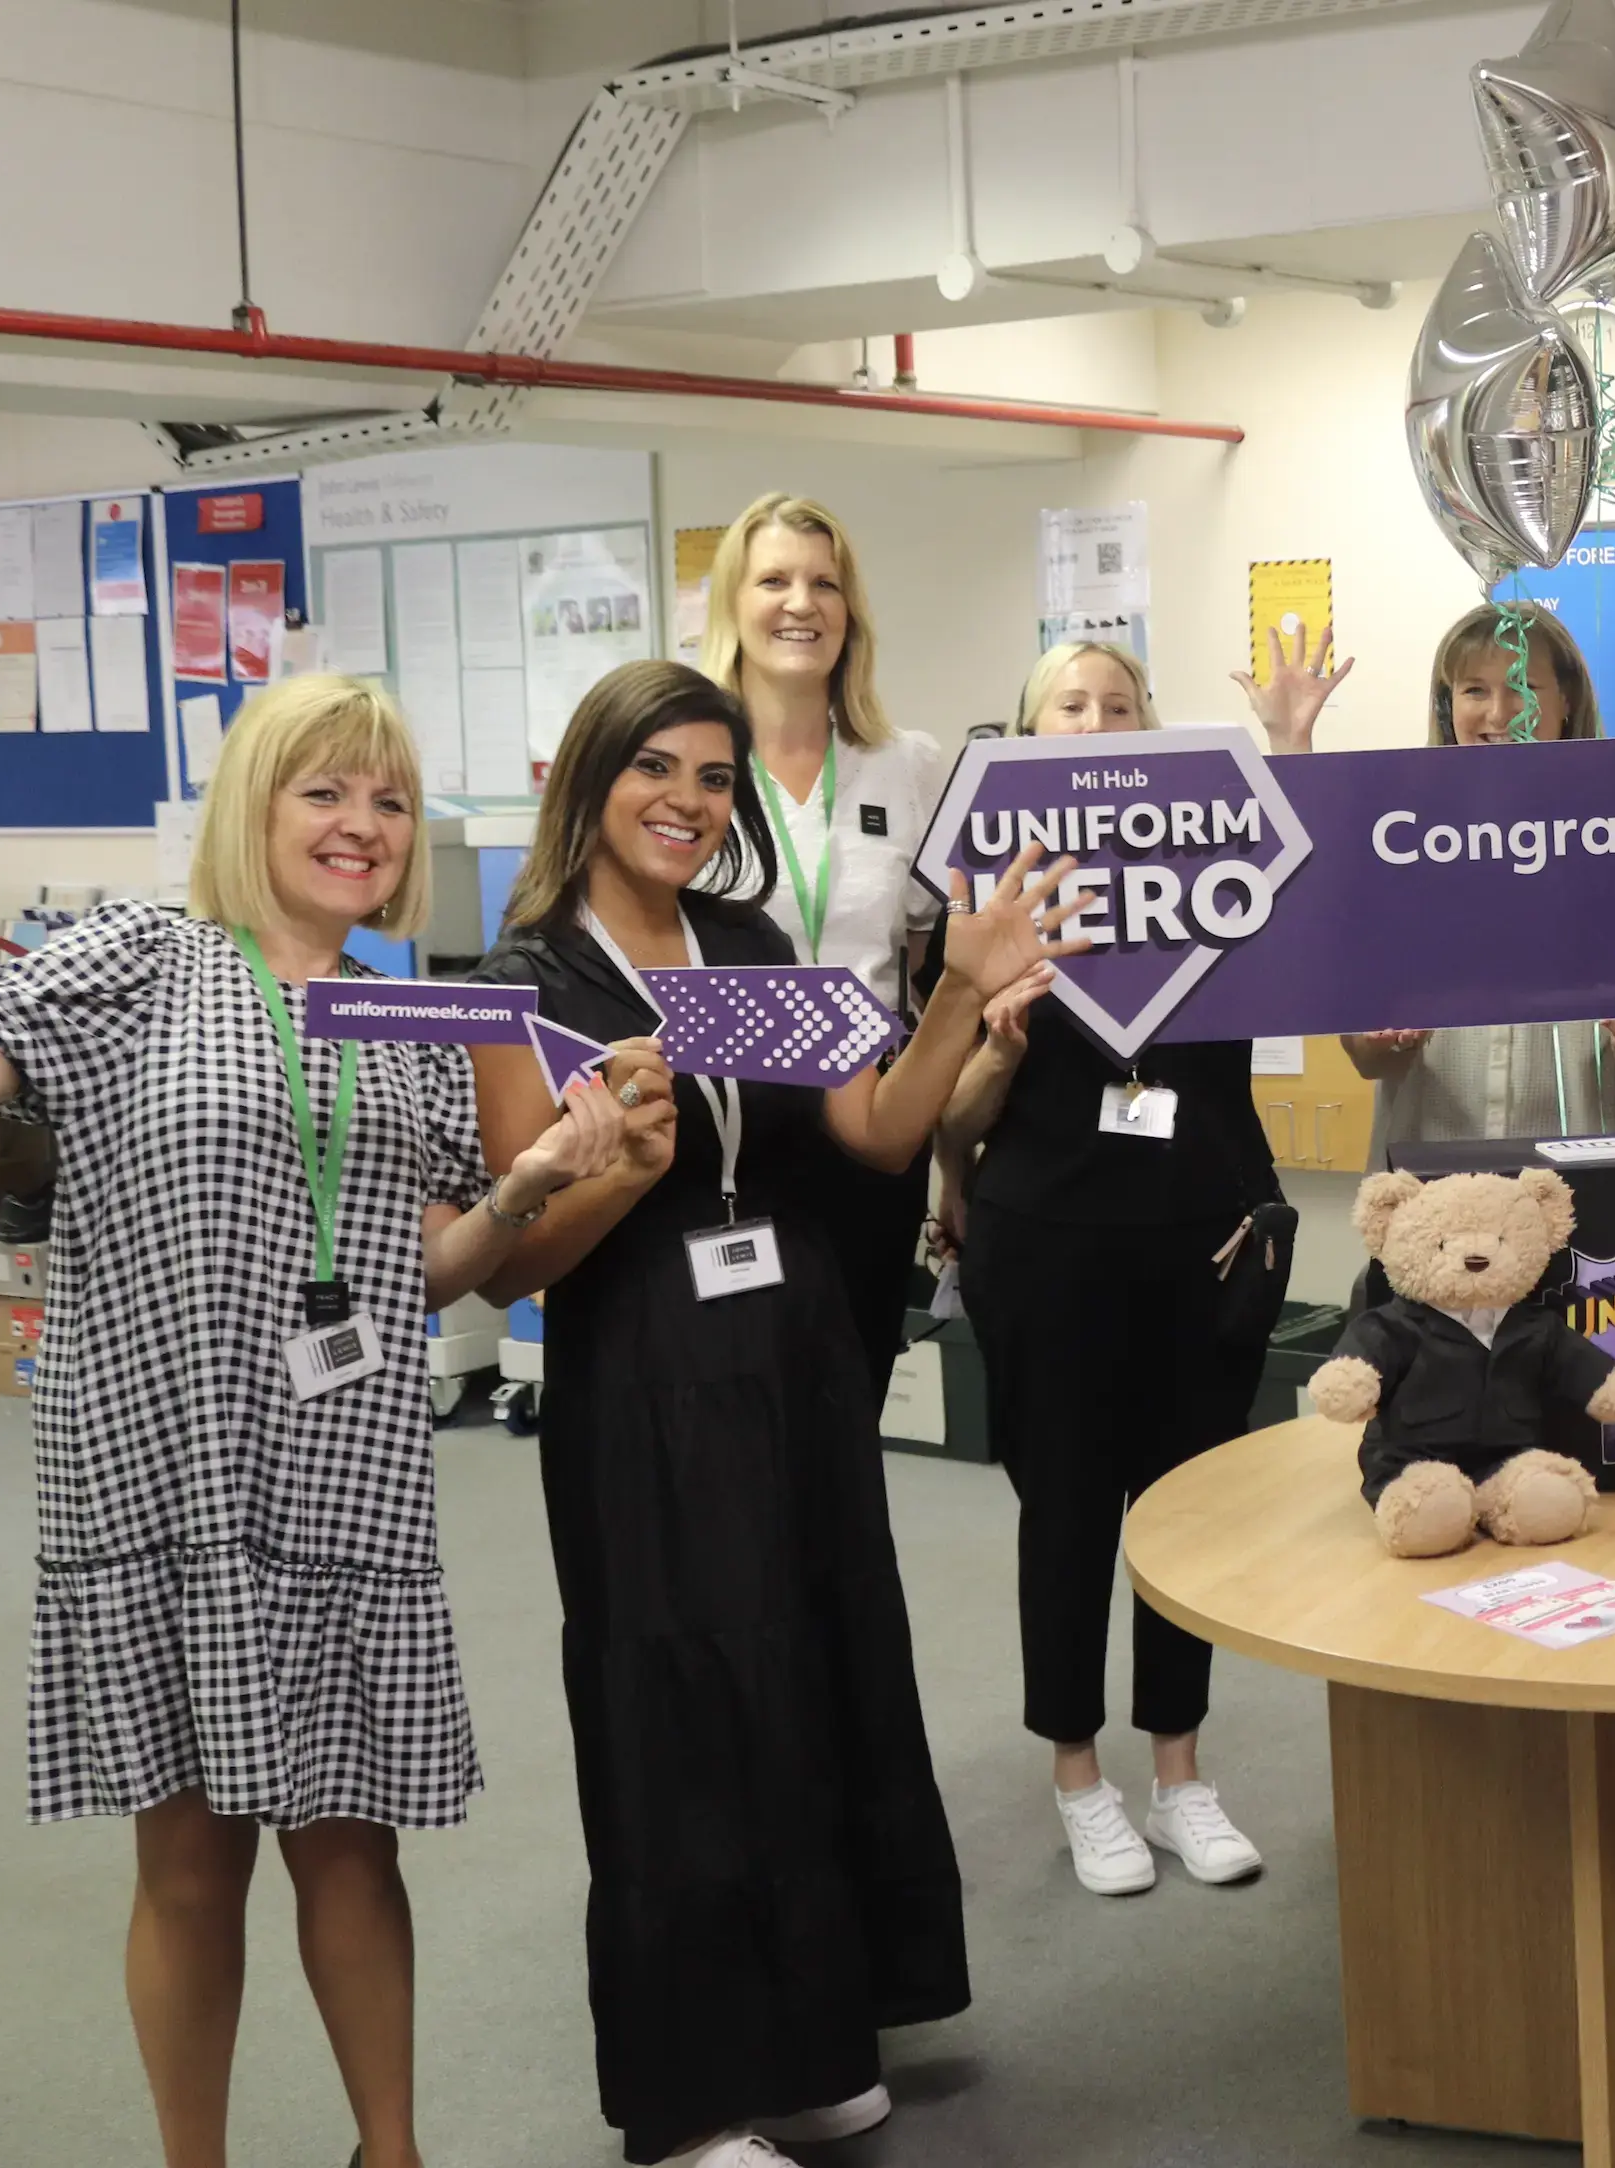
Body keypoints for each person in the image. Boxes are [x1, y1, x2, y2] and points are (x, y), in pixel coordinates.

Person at [0, 675, 628, 2168]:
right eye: (324, 792)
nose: (362, 826)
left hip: (343, 1474)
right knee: (191, 1861)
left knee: (352, 1845)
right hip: (161, 1473)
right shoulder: (142, 957)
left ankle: (386, 2154)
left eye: (390, 801)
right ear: (252, 805)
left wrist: (531, 1187)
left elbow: (424, 1263)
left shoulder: (404, 1003)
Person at [467, 660, 1080, 2168]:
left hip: (794, 1363)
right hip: (644, 1388)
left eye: (714, 776)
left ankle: (810, 2044)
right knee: (680, 1712)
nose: (686, 801)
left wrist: (953, 992)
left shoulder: (747, 939)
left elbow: (876, 1132)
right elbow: (516, 1257)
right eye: (655, 769)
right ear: (589, 782)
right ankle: (685, 2106)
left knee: (815, 1677)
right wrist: (600, 1162)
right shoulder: (523, 979)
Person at [937, 642, 1287, 1899]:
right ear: (1024, 738)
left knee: (1189, 1516)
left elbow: (1310, 873)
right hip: (1045, 1238)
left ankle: (1180, 1773)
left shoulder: (1213, 871)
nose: (1096, 724)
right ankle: (1079, 1779)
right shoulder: (988, 883)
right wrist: (991, 1042)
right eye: (1068, 708)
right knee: (1071, 1511)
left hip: (1200, 1237)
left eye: (1120, 706)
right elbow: (951, 1118)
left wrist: (1287, 741)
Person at [699, 491, 954, 1426]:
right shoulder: (691, 763)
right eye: (773, 580)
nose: (800, 603)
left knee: (850, 1404)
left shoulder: (906, 762)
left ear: (851, 614)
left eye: (824, 584)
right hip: (731, 1126)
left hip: (871, 1121)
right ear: (733, 603)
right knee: (740, 1405)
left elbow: (925, 949)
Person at [1338, 602, 1615, 1165]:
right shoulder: (1396, 843)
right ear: (1448, 706)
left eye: (1523, 686)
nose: (1500, 712)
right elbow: (1365, 1058)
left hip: (1589, 1186)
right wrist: (1381, 1042)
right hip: (1436, 1191)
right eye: (1474, 689)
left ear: (1566, 701)